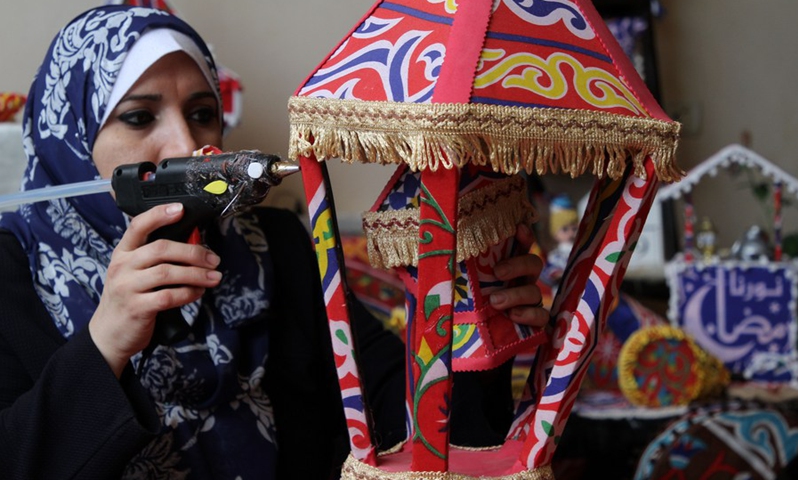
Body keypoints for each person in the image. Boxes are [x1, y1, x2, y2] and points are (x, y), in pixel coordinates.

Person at [0, 5, 547, 479]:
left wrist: (472, 329)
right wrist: (105, 346)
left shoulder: (277, 246)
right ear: (67, 141)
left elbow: (404, 423)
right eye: (140, 117)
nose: (189, 145)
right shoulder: (10, 272)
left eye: (202, 114)